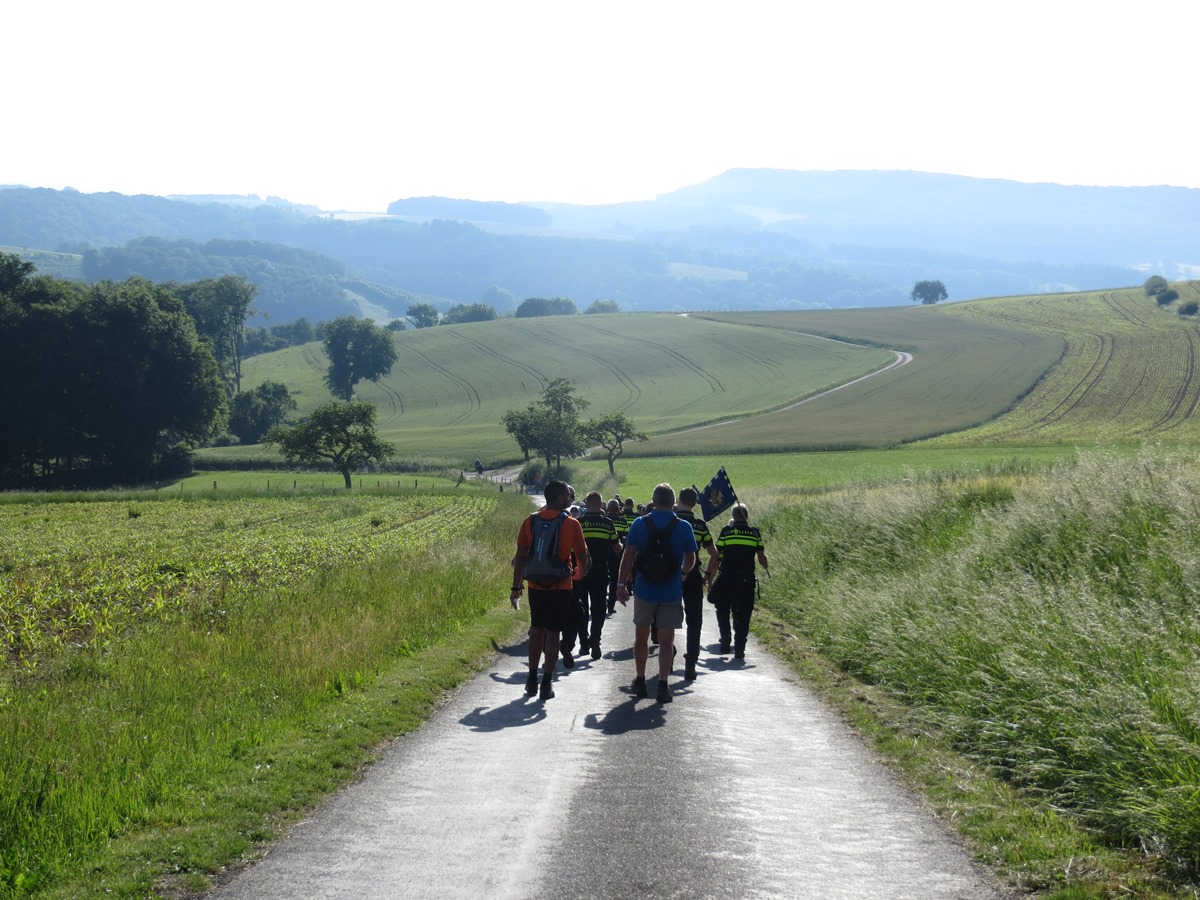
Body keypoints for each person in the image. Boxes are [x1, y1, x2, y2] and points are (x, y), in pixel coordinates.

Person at [616, 483, 697, 703]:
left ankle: (640, 680)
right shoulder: (683, 527)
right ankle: (662, 685)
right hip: (671, 591)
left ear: (654, 500)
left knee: (641, 637)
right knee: (666, 640)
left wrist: (621, 584)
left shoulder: (639, 524)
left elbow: (628, 555)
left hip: (644, 589)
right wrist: (683, 572)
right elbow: (691, 558)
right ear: (673, 502)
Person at [511, 480, 589, 700]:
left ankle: (531, 679)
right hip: (561, 585)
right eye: (567, 496)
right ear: (557, 498)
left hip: (535, 584)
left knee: (537, 629)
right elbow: (582, 558)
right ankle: (546, 683)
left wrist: (516, 587)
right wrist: (580, 573)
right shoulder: (572, 524)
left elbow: (520, 558)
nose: (570, 499)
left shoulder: (530, 521)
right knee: (553, 633)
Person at [706, 502, 768, 660]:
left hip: (727, 577)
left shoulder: (726, 531)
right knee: (744, 613)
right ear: (746, 516)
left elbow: (716, 556)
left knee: (722, 608)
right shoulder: (755, 533)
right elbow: (762, 559)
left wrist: (709, 576)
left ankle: (725, 638)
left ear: (733, 517)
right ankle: (740, 648)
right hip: (746, 579)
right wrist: (766, 564)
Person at [675, 487, 717, 681]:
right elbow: (714, 553)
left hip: (670, 574)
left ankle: (669, 651)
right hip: (692, 574)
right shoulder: (700, 525)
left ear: (679, 499)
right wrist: (708, 574)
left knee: (664, 616)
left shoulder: (670, 519)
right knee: (694, 620)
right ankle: (691, 662)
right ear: (694, 503)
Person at [575, 491, 620, 659]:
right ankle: (595, 638)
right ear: (601, 504)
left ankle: (584, 644)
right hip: (600, 571)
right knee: (599, 608)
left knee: (581, 608)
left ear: (586, 503)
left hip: (580, 571)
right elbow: (617, 547)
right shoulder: (607, 524)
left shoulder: (578, 523)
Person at [605, 498, 627, 614]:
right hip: (617, 554)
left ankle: (602, 601)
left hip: (603, 554)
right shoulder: (623, 522)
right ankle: (610, 605)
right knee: (614, 580)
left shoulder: (605, 520)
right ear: (618, 509)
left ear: (607, 509)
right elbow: (625, 538)